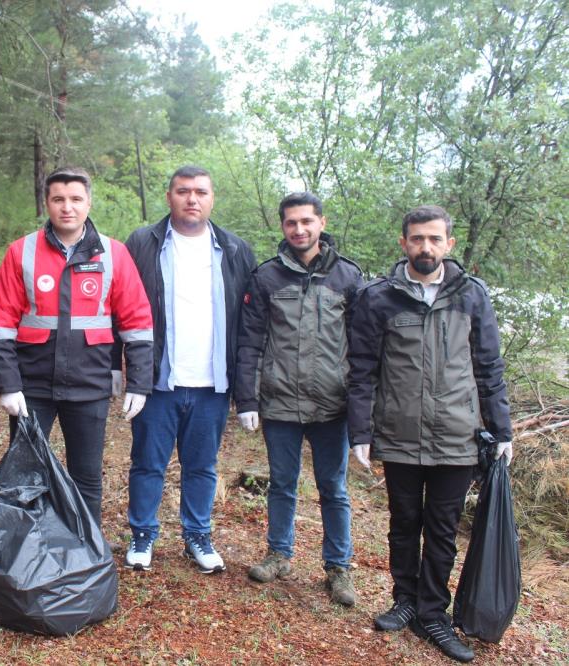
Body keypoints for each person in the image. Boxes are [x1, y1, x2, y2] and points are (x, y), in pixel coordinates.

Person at [348, 205, 513, 663]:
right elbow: (361, 370)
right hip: (399, 434)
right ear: (403, 243)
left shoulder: (471, 296)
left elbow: (489, 368)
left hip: (458, 438)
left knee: (442, 530)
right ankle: (404, 600)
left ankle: (433, 613)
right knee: (404, 524)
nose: (426, 247)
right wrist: (360, 432)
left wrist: (501, 430)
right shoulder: (378, 298)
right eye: (417, 239)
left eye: (434, 239)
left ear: (449, 244)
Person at [0, 166, 154, 526]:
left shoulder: (114, 254)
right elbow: (0, 324)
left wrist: (139, 383)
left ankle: (88, 552)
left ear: (88, 203)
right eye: (58, 199)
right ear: (46, 203)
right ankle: (21, 555)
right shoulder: (21, 252)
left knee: (87, 476)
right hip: (31, 387)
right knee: (23, 475)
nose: (67, 207)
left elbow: (137, 323)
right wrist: (8, 384)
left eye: (76, 199)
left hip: (88, 385)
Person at [121, 165, 256, 574]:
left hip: (212, 382)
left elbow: (249, 323)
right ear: (169, 196)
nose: (191, 199)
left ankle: (197, 535)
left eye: (200, 192)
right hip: (158, 380)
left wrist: (246, 388)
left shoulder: (235, 249)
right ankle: (142, 534)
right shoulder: (143, 243)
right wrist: (124, 370)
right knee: (147, 463)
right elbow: (122, 306)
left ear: (212, 198)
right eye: (183, 191)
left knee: (202, 466)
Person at [235, 192, 362, 604]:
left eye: (306, 221)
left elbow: (364, 348)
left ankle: (338, 567)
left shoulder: (348, 277)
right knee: (282, 484)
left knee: (334, 487)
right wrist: (247, 400)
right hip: (280, 403)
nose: (299, 229)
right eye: (291, 222)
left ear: (322, 223)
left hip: (333, 405)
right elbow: (250, 341)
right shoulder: (267, 277)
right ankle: (279, 553)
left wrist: (363, 410)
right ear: (283, 227)